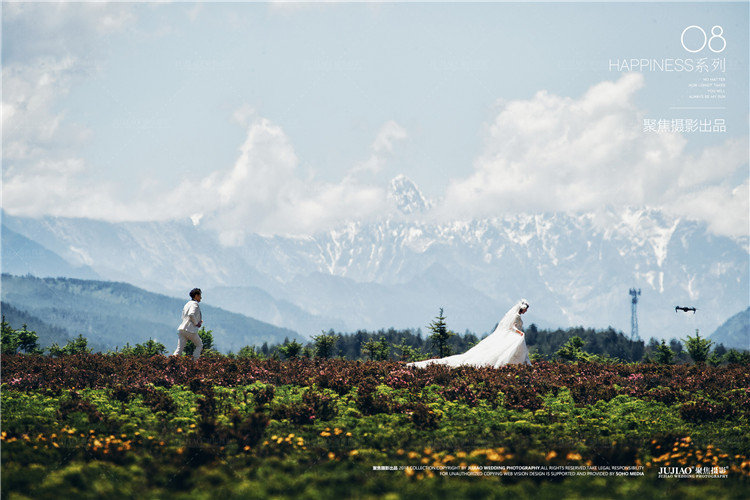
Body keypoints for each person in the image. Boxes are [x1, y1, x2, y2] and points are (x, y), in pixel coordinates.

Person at [409, 299, 531, 368]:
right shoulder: (515, 316)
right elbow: (512, 327)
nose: (526, 311)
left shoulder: (516, 315)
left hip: (513, 336)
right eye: (525, 309)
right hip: (513, 335)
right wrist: (520, 333)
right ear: (522, 308)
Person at [173, 288, 204, 360]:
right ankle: (194, 361)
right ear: (196, 295)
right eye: (200, 296)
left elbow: (183, 316)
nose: (201, 298)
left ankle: (171, 362)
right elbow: (191, 314)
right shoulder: (195, 304)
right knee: (199, 345)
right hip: (190, 329)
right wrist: (197, 323)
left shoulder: (187, 304)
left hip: (182, 328)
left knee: (179, 349)